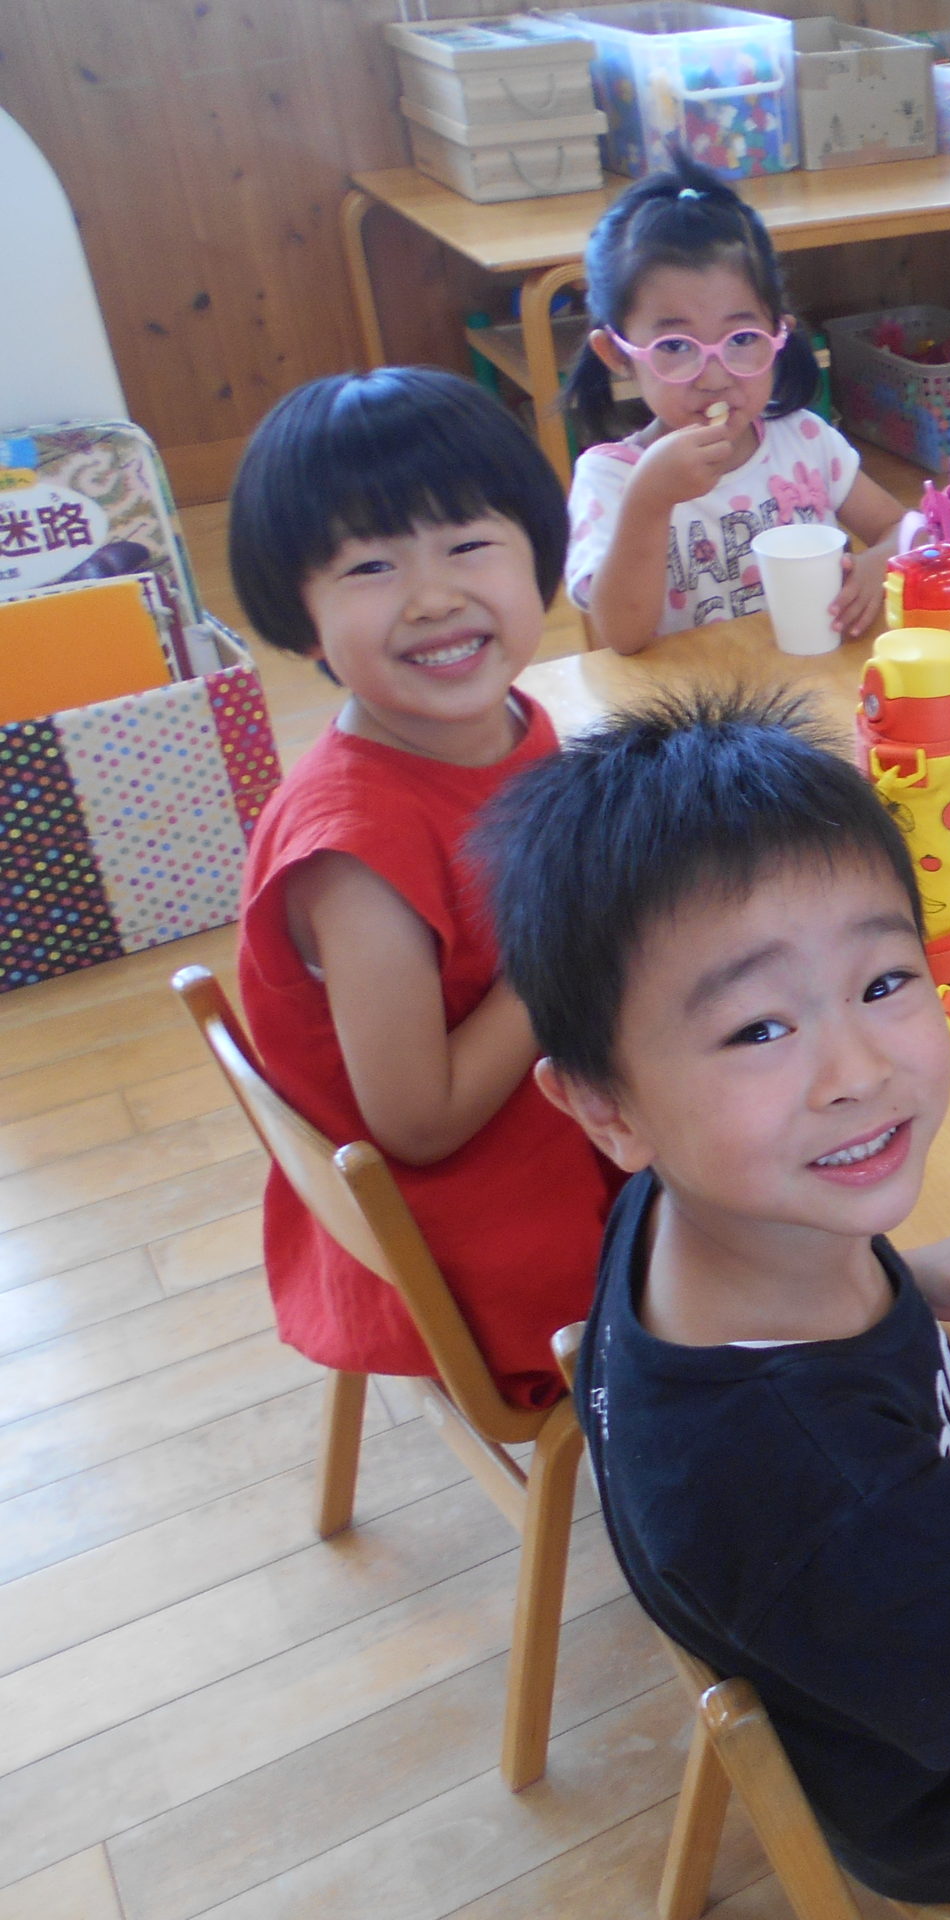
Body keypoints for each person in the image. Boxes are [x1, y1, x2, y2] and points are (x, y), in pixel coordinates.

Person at [473, 693, 950, 1904]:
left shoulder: (701, 1211)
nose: (859, 1069)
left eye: (885, 979)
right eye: (758, 1029)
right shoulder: (805, 1480)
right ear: (606, 1107)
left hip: (896, 1668)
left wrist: (916, 1281)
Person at [227, 367, 615, 1409]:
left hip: (551, 1104)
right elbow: (421, 1121)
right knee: (765, 1171)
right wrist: (575, 941)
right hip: (490, 1229)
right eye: (369, 565)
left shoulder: (505, 723)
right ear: (301, 621)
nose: (433, 595)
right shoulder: (357, 854)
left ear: (539, 556)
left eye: (468, 544)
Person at [563, 150, 906, 654]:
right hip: (690, 699)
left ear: (778, 335)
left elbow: (904, 527)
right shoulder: (611, 478)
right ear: (617, 354)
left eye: (742, 339)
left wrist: (882, 562)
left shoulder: (805, 440)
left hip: (810, 684)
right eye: (675, 347)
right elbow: (622, 636)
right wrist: (649, 500)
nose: (715, 376)